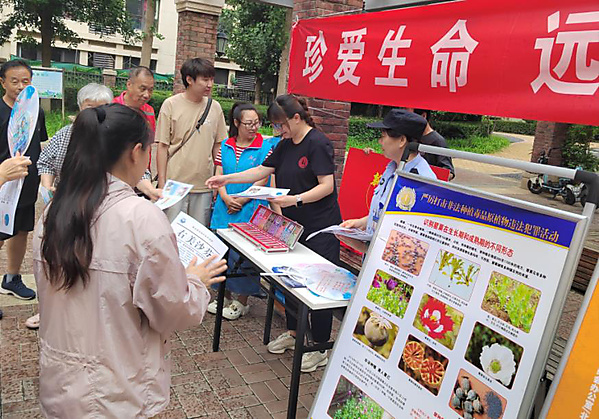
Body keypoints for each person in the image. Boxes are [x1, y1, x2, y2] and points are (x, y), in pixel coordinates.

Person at [33, 103, 227, 418]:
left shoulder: (53, 212)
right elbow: (172, 310)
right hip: (115, 390)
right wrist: (195, 281)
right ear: (136, 152)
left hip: (60, 381)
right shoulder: (140, 218)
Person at [206, 94, 342, 373]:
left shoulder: (318, 143)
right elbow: (261, 170)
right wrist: (225, 178)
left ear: (296, 118)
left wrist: (296, 200)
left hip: (319, 227)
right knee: (290, 281)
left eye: (281, 125)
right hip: (291, 227)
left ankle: (319, 346)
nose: (279, 131)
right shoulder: (285, 144)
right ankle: (294, 333)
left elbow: (326, 185)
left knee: (318, 287)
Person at [207, 102, 278, 320]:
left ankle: (242, 301)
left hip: (251, 209)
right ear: (236, 123)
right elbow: (219, 173)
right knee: (222, 254)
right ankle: (223, 296)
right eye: (249, 123)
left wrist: (244, 198)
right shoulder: (225, 146)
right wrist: (226, 197)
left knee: (245, 258)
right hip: (224, 208)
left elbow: (263, 177)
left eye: (257, 123)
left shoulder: (265, 147)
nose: (254, 127)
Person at [339, 109, 436, 253]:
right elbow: (384, 211)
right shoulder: (393, 167)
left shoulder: (421, 181)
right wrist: (362, 222)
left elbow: (407, 244)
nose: (380, 141)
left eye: (383, 136)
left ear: (402, 140)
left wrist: (362, 247)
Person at [156, 58, 227, 226]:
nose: (210, 84)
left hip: (204, 185)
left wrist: (218, 180)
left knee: (199, 233)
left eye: (211, 79)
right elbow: (162, 146)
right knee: (171, 232)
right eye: (205, 79)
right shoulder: (170, 105)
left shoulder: (215, 107)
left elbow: (218, 146)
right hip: (174, 185)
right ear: (189, 79)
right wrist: (162, 184)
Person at [0, 59, 46, 301]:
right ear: (3, 82)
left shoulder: (36, 112)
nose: (20, 86)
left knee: (20, 231)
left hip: (26, 183)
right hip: (2, 183)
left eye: (25, 81)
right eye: (14, 81)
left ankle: (12, 278)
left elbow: (40, 145)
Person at [38, 83, 114, 191]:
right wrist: (47, 187)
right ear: (80, 107)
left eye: (101, 107)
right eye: (90, 107)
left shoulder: (114, 135)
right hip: (66, 194)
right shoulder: (65, 133)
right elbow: (46, 162)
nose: (95, 112)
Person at [114, 66, 162, 200]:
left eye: (150, 90)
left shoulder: (149, 111)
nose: (147, 95)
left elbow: (148, 146)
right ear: (129, 84)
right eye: (142, 88)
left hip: (142, 179)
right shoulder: (112, 107)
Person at [0, 154, 32, 319]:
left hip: (24, 179)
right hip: (4, 173)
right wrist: (2, 175)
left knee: (20, 229)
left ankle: (11, 279)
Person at [409, 108, 455, 179]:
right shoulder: (410, 137)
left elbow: (449, 172)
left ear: (423, 116)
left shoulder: (438, 141)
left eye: (411, 117)